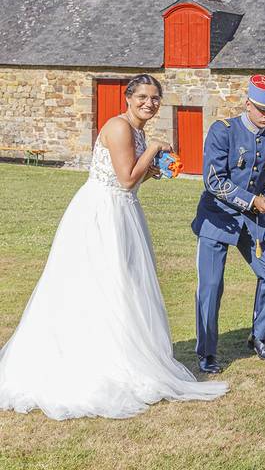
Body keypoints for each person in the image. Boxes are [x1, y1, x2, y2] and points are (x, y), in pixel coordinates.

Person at [0, 75, 227, 420]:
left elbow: (134, 177)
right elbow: (124, 179)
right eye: (142, 97)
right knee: (103, 283)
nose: (148, 103)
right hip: (102, 213)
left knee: (125, 286)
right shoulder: (120, 128)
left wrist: (155, 169)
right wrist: (154, 149)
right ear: (128, 97)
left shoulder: (137, 131)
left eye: (154, 98)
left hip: (123, 211)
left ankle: (122, 352)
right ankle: (90, 361)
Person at [192, 75, 265, 373]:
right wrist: (251, 200)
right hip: (217, 218)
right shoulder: (223, 131)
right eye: (260, 109)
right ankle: (206, 352)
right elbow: (213, 180)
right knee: (211, 287)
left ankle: (259, 337)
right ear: (248, 104)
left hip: (254, 222)